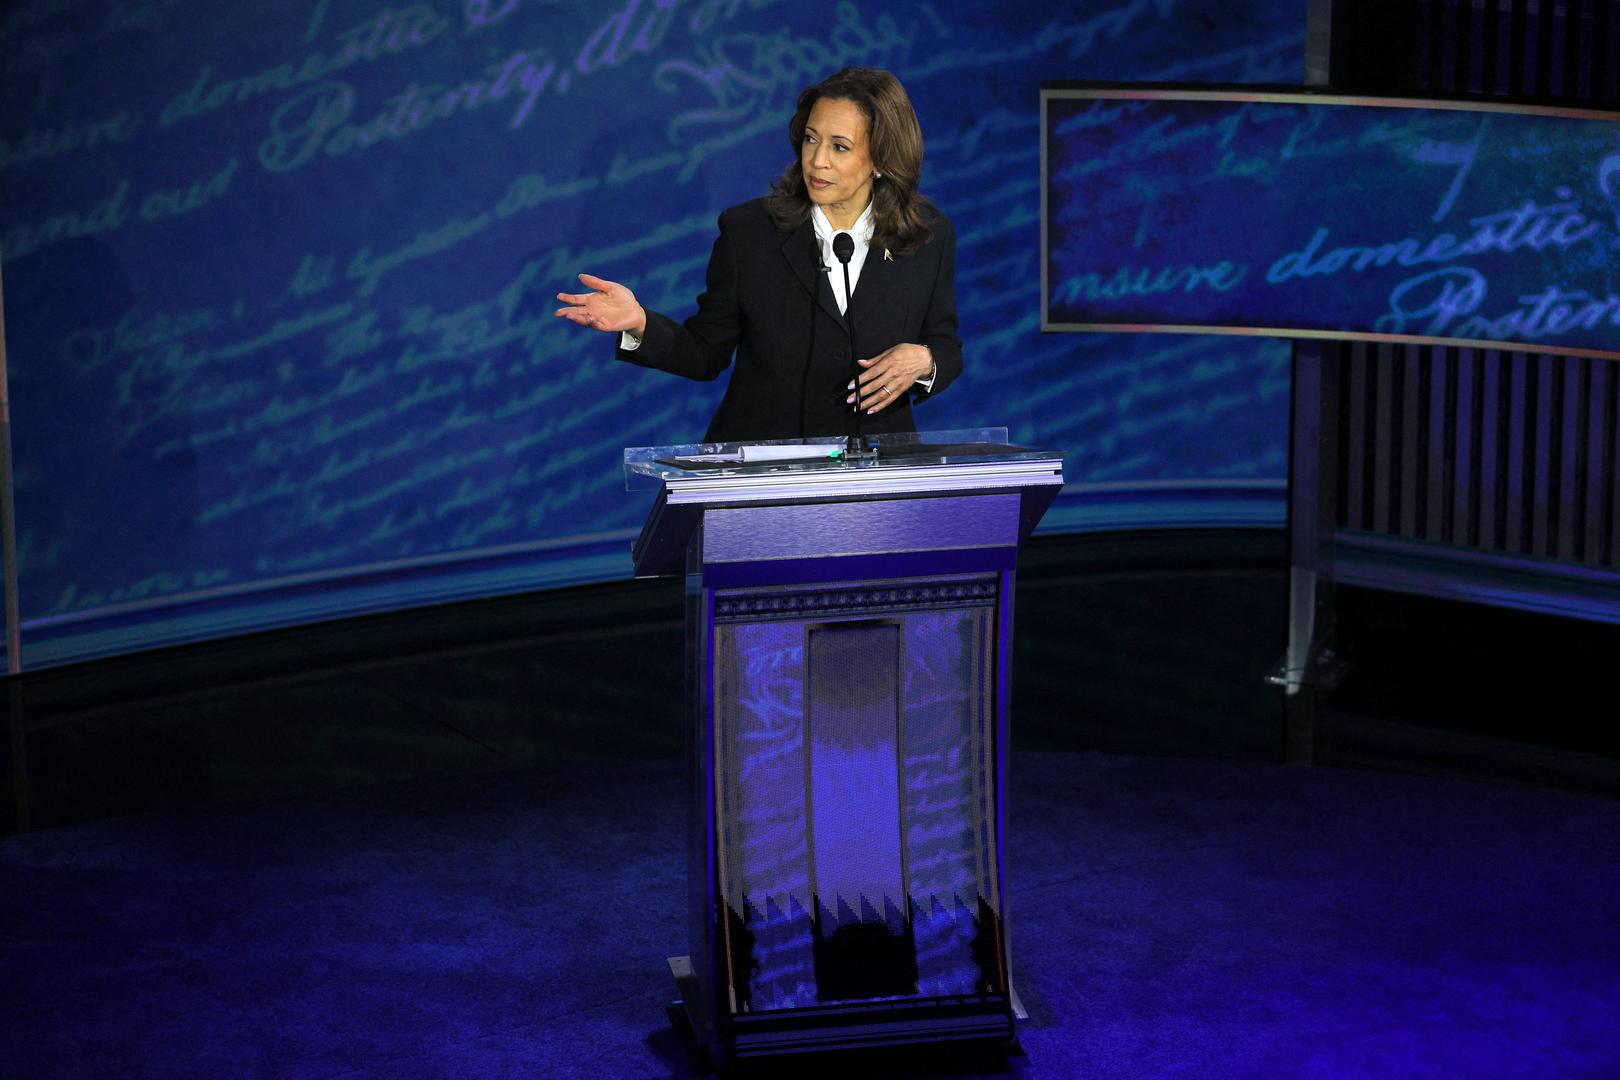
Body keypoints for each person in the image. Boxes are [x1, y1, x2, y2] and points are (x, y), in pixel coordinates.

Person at [555, 67, 962, 443]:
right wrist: (641, 323)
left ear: (880, 158)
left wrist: (924, 360)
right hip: (763, 468)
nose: (817, 161)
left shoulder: (926, 236)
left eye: (840, 147)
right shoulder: (750, 232)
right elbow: (706, 353)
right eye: (810, 138)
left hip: (876, 469)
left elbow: (945, 344)